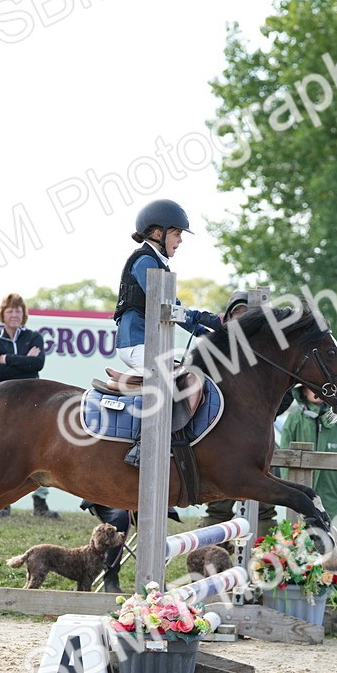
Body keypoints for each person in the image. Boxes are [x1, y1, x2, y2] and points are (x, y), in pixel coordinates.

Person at [112, 198, 223, 467]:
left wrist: (202, 332)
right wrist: (204, 321)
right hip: (136, 343)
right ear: (158, 233)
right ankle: (142, 443)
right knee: (166, 382)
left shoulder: (157, 261)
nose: (180, 241)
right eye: (177, 234)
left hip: (149, 342)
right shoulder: (144, 261)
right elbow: (169, 307)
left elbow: (172, 310)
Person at [200, 291, 291, 536]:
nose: (242, 322)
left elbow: (287, 396)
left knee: (265, 508)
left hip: (258, 441)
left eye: (247, 317)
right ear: (228, 318)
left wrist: (259, 415)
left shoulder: (272, 354)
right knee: (218, 508)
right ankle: (206, 561)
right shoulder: (215, 346)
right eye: (238, 315)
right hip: (219, 440)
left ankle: (264, 563)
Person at [0, 292, 59, 519]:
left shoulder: (34, 337)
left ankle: (40, 503)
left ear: (23, 314)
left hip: (32, 403)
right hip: (4, 404)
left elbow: (37, 364)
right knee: (3, 451)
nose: (14, 314)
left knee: (38, 450)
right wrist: (23, 361)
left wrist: (6, 359)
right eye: (10, 310)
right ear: (3, 314)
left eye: (18, 310)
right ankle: (2, 503)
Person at [279, 384, 337, 528]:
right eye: (311, 388)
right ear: (303, 392)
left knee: (333, 521)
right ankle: (301, 550)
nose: (316, 392)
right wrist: (286, 485)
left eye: (319, 388)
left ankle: (334, 548)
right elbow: (284, 454)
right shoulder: (294, 419)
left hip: (331, 486)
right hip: (301, 485)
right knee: (300, 525)